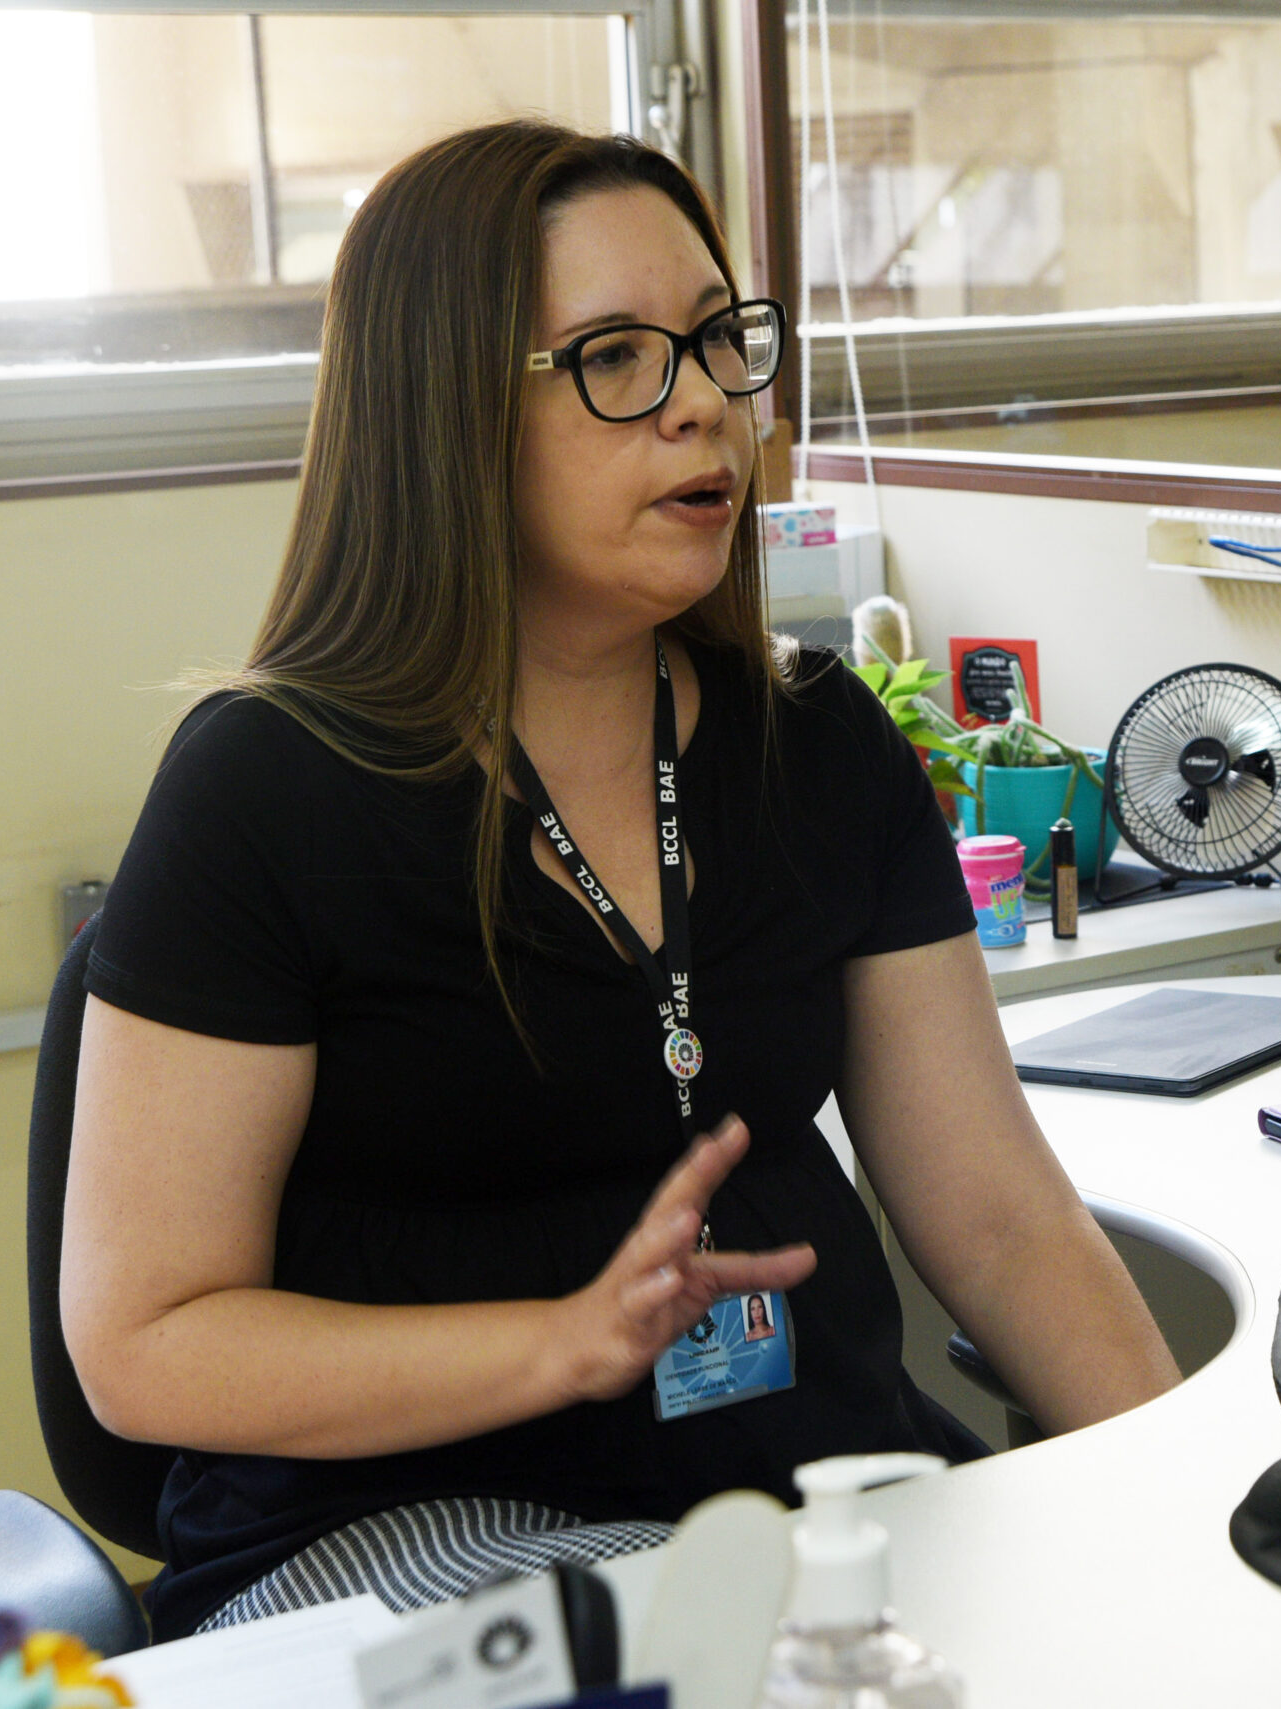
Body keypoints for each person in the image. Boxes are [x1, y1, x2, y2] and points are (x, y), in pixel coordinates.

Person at [60, 120, 1180, 1640]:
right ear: (447, 412)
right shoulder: (268, 787)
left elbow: (999, 1221)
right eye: (616, 359)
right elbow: (146, 1340)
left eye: (718, 341)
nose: (704, 401)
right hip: (399, 1535)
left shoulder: (819, 742)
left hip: (802, 1496)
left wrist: (1186, 1507)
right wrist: (562, 1344)